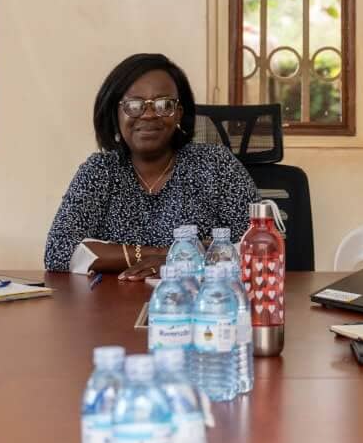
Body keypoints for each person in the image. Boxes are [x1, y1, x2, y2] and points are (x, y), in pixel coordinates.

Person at [44, 53, 257, 277]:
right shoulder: (100, 171)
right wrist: (163, 254)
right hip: (113, 306)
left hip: (200, 304)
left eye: (164, 104)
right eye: (133, 105)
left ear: (179, 115)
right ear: (115, 114)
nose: (148, 115)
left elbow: (258, 246)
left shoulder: (215, 164)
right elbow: (58, 251)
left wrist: (172, 261)